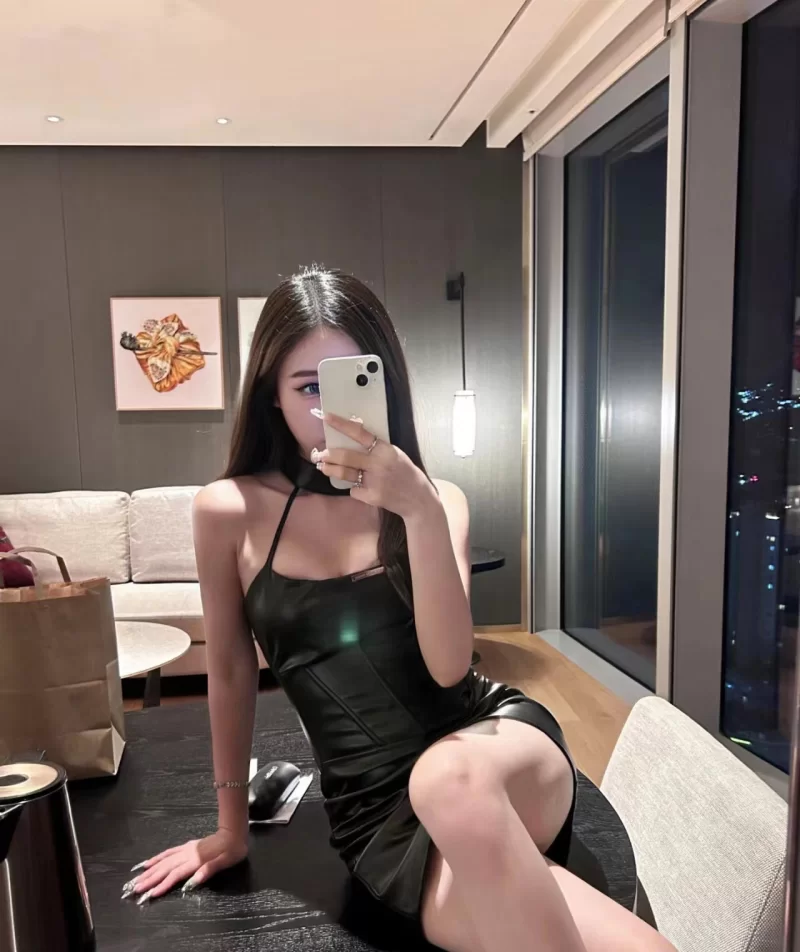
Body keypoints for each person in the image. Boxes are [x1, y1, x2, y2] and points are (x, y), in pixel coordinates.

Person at [124, 266, 674, 952]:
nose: (333, 410)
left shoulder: (438, 501)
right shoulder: (227, 510)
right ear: (271, 394)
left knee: (448, 779)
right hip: (378, 817)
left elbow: (449, 668)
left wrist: (417, 509)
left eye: (351, 382)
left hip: (496, 751)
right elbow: (232, 670)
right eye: (308, 388)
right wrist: (230, 829)